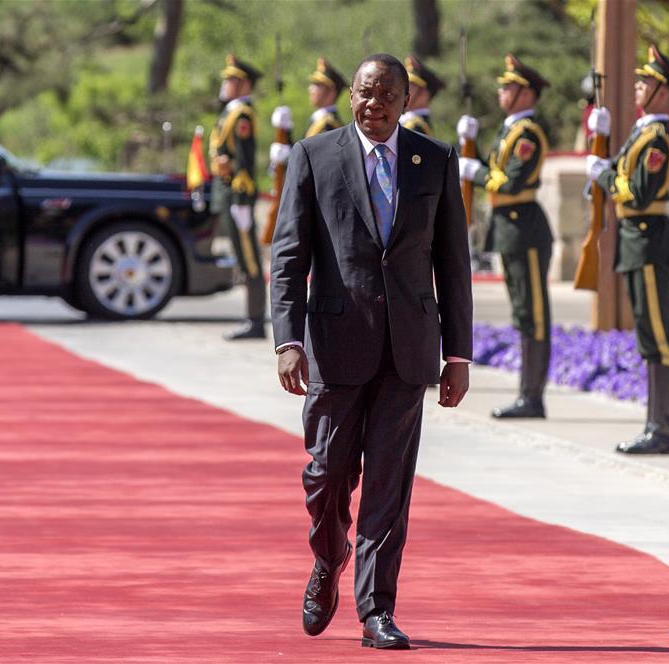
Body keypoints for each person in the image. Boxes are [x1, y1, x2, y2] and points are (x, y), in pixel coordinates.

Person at [270, 54, 472, 649]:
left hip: (408, 351)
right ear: (351, 97)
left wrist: (457, 353)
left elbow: (452, 264)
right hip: (335, 347)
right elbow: (288, 257)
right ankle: (327, 556)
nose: (372, 103)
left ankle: (376, 610)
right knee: (326, 475)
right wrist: (287, 340)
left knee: (389, 484)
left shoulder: (432, 161)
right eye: (363, 92)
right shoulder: (315, 155)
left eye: (386, 93)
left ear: (406, 100)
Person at [585, 45, 669, 455]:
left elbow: (640, 190)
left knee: (659, 338)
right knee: (649, 337)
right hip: (637, 240)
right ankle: (655, 425)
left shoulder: (657, 140)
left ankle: (663, 429)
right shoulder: (643, 133)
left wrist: (607, 175)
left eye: (646, 81)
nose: (637, 85)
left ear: (663, 93)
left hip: (648, 240)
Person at [457, 53, 553, 419]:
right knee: (522, 313)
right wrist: (473, 147)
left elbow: (512, 181)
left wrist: (476, 171)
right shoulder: (509, 130)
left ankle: (532, 395)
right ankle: (526, 393)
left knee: (534, 314)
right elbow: (496, 169)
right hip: (511, 228)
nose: (501, 91)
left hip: (524, 226)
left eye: (509, 86)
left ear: (526, 94)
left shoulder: (528, 134)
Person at [209, 54, 267, 340]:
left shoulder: (241, 114)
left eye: (231, 79)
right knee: (243, 258)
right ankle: (251, 318)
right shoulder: (230, 112)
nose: (225, 84)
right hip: (229, 192)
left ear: (243, 84)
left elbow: (244, 159)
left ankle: (256, 320)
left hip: (238, 194)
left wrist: (243, 199)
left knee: (250, 259)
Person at [268, 58, 346, 174]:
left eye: (317, 85)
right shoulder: (318, 120)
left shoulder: (328, 125)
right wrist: (286, 134)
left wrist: (288, 157)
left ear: (331, 92)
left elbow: (315, 163)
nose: (311, 89)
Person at [399, 55, 445, 137]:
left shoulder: (416, 126)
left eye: (411, 87)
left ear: (424, 94)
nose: (404, 91)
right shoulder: (406, 122)